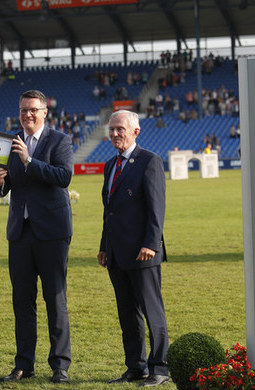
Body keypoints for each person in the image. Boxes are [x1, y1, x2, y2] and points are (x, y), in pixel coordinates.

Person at [0, 89, 73, 384]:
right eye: (24, 109)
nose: (28, 114)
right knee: (22, 301)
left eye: (33, 110)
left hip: (52, 232)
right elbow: (8, 185)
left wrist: (28, 161)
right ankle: (24, 364)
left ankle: (60, 365)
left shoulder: (60, 140)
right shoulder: (9, 143)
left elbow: (64, 177)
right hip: (20, 233)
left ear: (44, 111)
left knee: (55, 299)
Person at [98, 110, 170, 387]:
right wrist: (104, 246)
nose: (115, 134)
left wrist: (151, 244)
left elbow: (156, 209)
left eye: (120, 129)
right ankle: (136, 367)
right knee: (127, 314)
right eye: (112, 129)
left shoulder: (150, 161)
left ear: (135, 132)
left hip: (143, 253)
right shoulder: (109, 165)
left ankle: (160, 369)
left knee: (153, 313)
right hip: (116, 253)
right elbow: (110, 212)